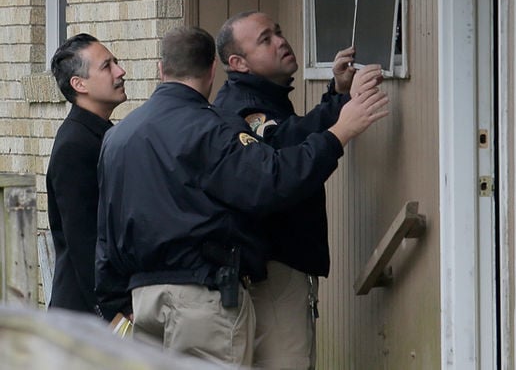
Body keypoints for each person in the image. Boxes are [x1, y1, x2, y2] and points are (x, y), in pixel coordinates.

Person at [95, 26, 388, 365]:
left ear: (162, 69)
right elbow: (270, 182)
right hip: (201, 299)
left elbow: (105, 232)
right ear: (213, 70)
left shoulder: (118, 137)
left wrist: (114, 305)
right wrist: (339, 133)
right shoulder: (211, 128)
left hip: (143, 301)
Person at [213, 11, 382, 370]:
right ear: (237, 62)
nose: (280, 41)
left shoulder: (263, 94)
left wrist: (338, 93)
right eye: (265, 39)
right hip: (273, 266)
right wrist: (344, 115)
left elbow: (296, 132)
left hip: (282, 264)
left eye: (278, 31)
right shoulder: (241, 107)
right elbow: (287, 152)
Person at [47, 33, 126, 318]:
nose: (120, 71)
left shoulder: (102, 134)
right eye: (107, 66)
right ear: (79, 84)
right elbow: (84, 240)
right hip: (86, 317)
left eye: (116, 63)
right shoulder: (75, 145)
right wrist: (114, 311)